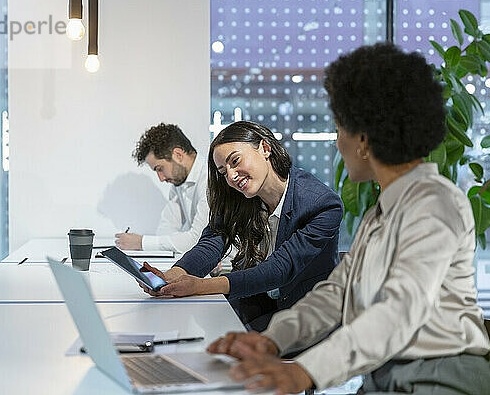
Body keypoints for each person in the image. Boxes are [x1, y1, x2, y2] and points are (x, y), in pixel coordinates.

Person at [208, 43, 490, 395]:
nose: (336, 141)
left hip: (440, 380)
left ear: (364, 139)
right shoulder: (382, 214)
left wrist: (305, 371)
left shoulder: (434, 203)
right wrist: (271, 341)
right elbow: (334, 294)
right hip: (387, 377)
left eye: (339, 129)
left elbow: (398, 311)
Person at [141, 121, 343, 331]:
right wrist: (173, 275)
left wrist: (200, 286)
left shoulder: (321, 203)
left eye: (235, 161)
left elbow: (279, 269)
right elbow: (212, 242)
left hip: (306, 315)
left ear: (265, 149)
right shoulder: (242, 196)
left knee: (218, 345)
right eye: (223, 171)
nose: (231, 176)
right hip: (260, 303)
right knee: (195, 329)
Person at [114, 123, 208, 253]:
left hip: (230, 267)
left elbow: (198, 240)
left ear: (178, 155)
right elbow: (165, 230)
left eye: (160, 169)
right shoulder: (179, 184)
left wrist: (141, 242)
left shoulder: (209, 180)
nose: (161, 178)